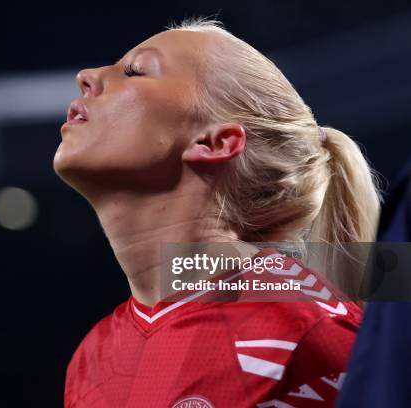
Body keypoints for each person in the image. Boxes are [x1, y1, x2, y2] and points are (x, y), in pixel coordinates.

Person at [54, 18, 381, 408]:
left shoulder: (310, 336)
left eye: (135, 70)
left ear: (214, 142)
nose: (86, 76)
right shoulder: (93, 358)